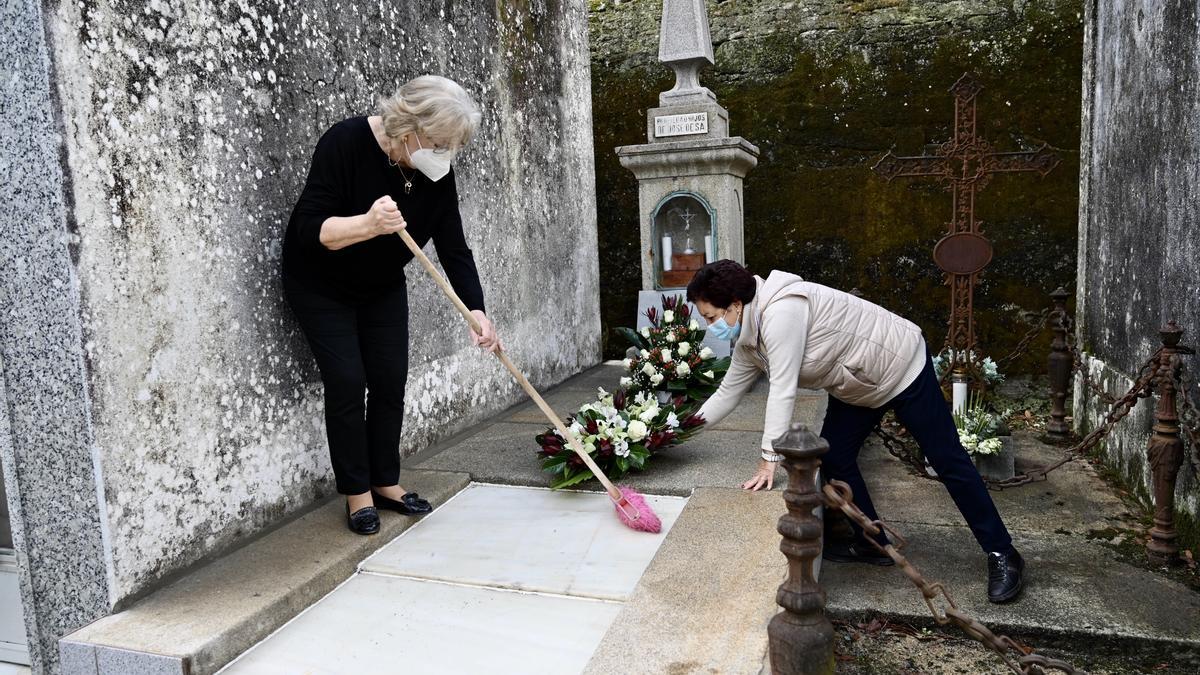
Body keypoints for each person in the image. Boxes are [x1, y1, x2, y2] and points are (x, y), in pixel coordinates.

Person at [688, 260, 1024, 603]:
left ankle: (1002, 553)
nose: (710, 326)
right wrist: (681, 430)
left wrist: (768, 460)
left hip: (899, 363)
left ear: (735, 305)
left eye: (712, 317)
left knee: (947, 458)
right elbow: (728, 391)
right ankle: (873, 542)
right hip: (858, 383)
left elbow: (783, 389)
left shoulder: (781, 312)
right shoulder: (749, 338)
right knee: (835, 455)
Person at [282, 75, 499, 535]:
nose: (444, 154)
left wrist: (475, 311)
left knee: (388, 379)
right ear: (410, 128)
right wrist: (368, 223)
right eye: (439, 143)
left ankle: (384, 481)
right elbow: (310, 229)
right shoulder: (345, 143)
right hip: (320, 282)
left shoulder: (435, 172)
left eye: (451, 147)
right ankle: (357, 494)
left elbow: (454, 248)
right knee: (347, 379)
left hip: (380, 284)